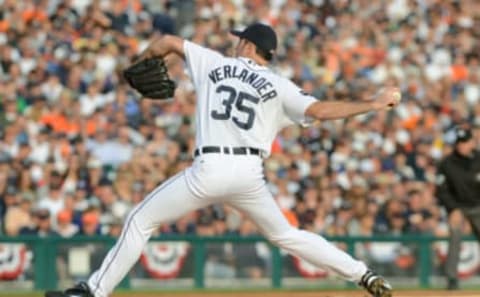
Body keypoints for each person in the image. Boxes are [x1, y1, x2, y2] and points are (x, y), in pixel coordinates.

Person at [45, 23, 399, 297]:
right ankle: (362, 274)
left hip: (209, 169)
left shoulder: (214, 62)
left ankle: (94, 292)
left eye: (239, 39)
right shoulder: (279, 85)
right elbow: (321, 110)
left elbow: (166, 42)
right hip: (249, 175)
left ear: (247, 45)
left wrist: (139, 64)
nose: (235, 43)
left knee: (140, 220)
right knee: (287, 235)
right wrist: (373, 102)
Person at [435, 125, 480, 290]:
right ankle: (452, 280)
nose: (461, 145)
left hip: (478, 205)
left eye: (465, 141)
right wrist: (453, 209)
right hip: (457, 207)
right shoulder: (447, 163)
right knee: (454, 236)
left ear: (472, 143)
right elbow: (441, 190)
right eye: (459, 142)